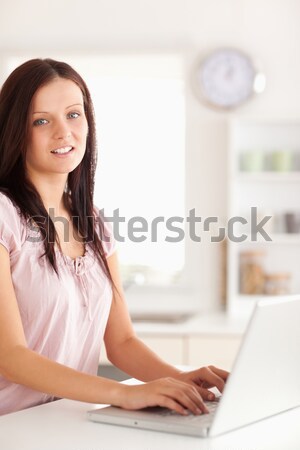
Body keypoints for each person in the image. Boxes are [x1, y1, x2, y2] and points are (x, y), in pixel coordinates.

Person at [0, 58, 228, 416]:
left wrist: (182, 380)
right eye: (41, 120)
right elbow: (10, 357)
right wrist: (124, 394)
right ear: (15, 130)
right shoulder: (4, 215)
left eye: (74, 114)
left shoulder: (95, 223)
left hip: (62, 424)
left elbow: (121, 341)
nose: (64, 132)